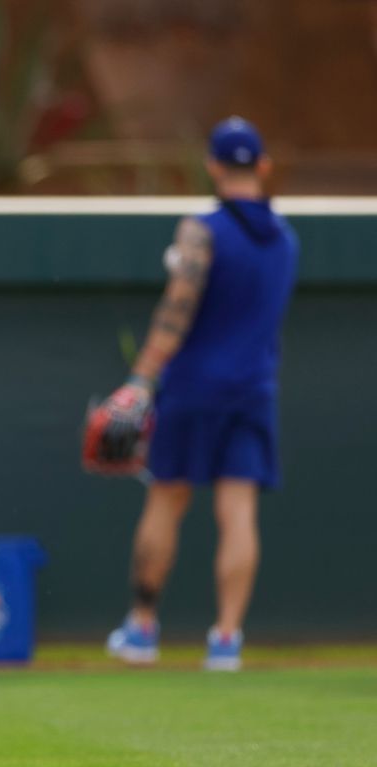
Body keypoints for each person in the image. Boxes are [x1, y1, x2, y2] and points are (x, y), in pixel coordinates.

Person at [103, 116, 298, 671]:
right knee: (238, 509)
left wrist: (140, 378)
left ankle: (141, 631)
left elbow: (175, 314)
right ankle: (227, 639)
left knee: (167, 498)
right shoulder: (286, 238)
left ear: (213, 166)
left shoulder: (202, 229)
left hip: (193, 387)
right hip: (253, 388)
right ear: (261, 166)